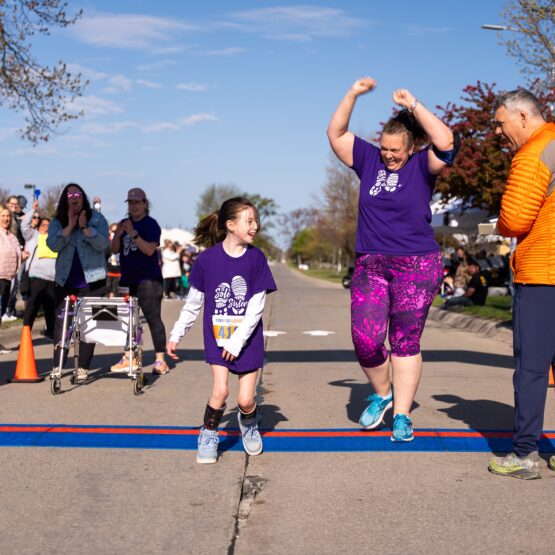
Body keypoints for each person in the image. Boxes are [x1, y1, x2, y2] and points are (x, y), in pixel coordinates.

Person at [327, 76, 457, 442]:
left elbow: (446, 141)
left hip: (417, 265)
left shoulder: (422, 166)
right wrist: (352, 94)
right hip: (371, 263)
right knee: (365, 339)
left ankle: (402, 415)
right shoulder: (368, 160)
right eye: (384, 148)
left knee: (405, 342)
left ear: (411, 147)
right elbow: (336, 134)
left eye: (395, 150)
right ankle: (383, 393)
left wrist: (414, 104)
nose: (388, 155)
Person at [166, 197, 277, 464]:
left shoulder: (256, 258)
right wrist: (176, 334)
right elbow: (193, 303)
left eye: (256, 221)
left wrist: (237, 342)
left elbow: (256, 309)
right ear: (230, 225)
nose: (255, 226)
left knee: (245, 399)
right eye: (249, 221)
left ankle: (248, 422)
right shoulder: (206, 260)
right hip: (218, 338)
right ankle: (208, 434)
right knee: (220, 391)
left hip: (247, 340)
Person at [487, 90, 555, 480]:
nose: (498, 131)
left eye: (501, 123)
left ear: (524, 117)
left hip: (543, 273)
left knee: (531, 367)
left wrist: (499, 225)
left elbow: (514, 219)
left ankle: (524, 453)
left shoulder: (533, 153)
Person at [47, 183, 109, 381]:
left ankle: (82, 367)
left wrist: (84, 227)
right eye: (70, 195)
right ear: (65, 200)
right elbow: (52, 245)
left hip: (93, 281)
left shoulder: (97, 219)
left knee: (88, 325)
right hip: (65, 281)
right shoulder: (57, 221)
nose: (74, 198)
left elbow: (103, 244)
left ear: (83, 197)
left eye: (78, 194)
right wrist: (69, 227)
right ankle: (57, 365)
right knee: (62, 324)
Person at [109, 188, 169, 375]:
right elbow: (114, 250)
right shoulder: (124, 223)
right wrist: (118, 234)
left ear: (145, 204)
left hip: (148, 280)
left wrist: (133, 234)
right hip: (127, 280)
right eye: (130, 202)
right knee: (128, 320)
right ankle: (128, 356)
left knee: (153, 318)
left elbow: (149, 250)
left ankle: (160, 360)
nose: (133, 206)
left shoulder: (151, 224)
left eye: (137, 202)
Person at [21, 199, 56, 339]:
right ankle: (26, 332)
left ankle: (51, 332)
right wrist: (33, 210)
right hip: (37, 277)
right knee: (32, 306)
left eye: (49, 225)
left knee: (50, 308)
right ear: (38, 226)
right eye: (43, 225)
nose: (46, 227)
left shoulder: (54, 239)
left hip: (52, 278)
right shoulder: (33, 235)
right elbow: (24, 225)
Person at [0, 205, 22, 353]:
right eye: (2, 216)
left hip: (8, 278)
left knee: (1, 311)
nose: (5, 218)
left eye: (8, 216)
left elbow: (16, 254)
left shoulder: (12, 237)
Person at [106, 223, 121, 298]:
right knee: (106, 292)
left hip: (118, 272)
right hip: (108, 272)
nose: (115, 233)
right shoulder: (106, 242)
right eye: (113, 231)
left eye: (117, 231)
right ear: (109, 231)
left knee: (116, 293)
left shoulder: (122, 242)